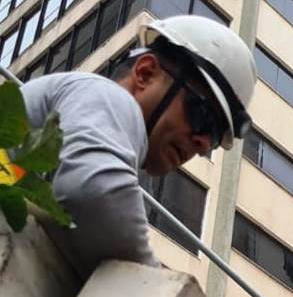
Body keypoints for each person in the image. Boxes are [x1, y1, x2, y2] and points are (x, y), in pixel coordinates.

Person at [20, 14, 256, 279]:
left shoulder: (97, 131)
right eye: (202, 117)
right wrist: (154, 289)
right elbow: (95, 193)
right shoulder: (109, 96)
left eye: (212, 138)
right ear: (145, 73)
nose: (202, 145)